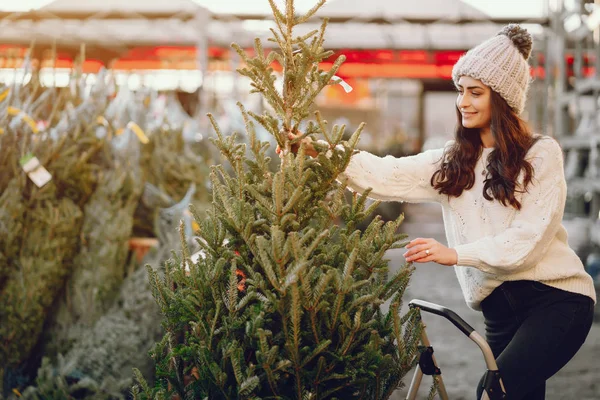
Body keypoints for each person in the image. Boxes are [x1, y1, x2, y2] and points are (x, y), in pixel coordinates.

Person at [279, 24, 597, 400]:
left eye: (476, 92)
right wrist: (318, 150)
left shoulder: (540, 154)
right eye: (460, 90)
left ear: (504, 99)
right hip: (499, 312)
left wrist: (455, 254)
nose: (463, 101)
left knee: (495, 389)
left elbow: (529, 239)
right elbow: (386, 173)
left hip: (555, 299)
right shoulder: (455, 161)